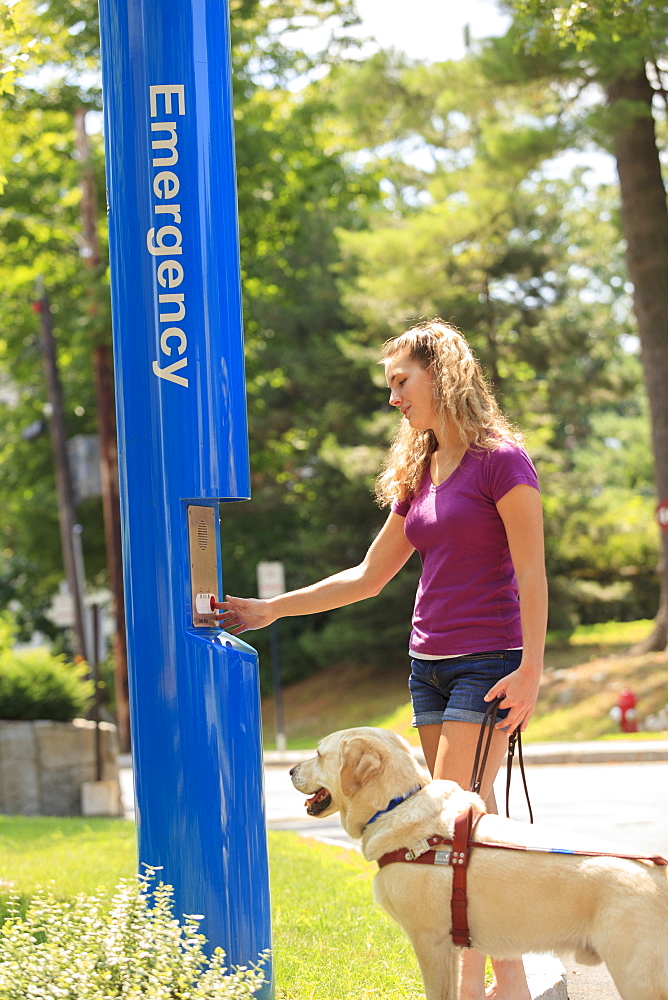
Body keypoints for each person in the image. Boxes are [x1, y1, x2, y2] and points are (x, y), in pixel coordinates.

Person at [220, 318, 547, 1000]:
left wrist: (531, 669)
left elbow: (533, 572)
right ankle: (512, 980)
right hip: (426, 667)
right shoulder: (422, 473)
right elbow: (368, 576)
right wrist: (271, 610)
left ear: (442, 374)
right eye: (390, 385)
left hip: (488, 662)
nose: (394, 396)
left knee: (443, 829)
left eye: (402, 381)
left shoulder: (502, 462)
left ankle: (476, 985)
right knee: (470, 817)